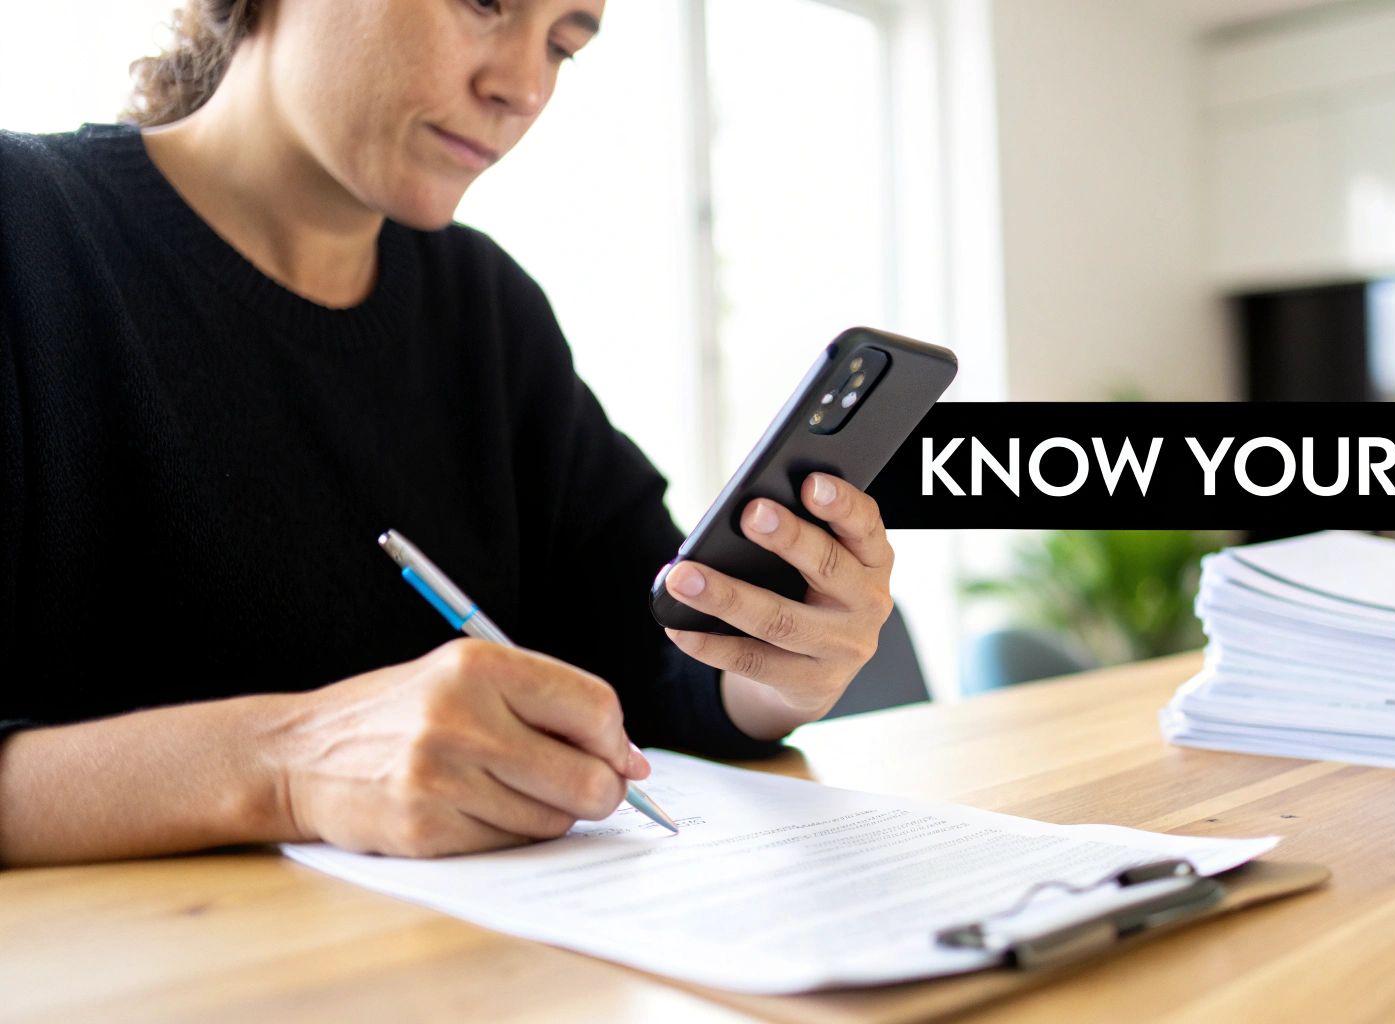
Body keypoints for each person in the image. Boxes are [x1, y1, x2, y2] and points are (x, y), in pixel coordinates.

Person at [0, 0, 895, 866]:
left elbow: (652, 666)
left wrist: (772, 661)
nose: (525, 87)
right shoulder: (24, 232)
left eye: (564, 45)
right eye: (482, 3)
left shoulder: (486, 311)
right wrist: (285, 767)